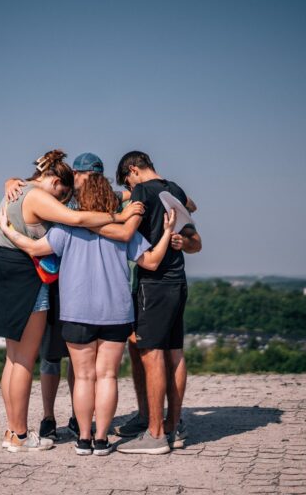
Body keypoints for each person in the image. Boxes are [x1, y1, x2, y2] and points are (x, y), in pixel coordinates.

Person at [0, 170, 176, 456]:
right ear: (109, 198)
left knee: (83, 377)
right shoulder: (124, 232)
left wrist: (8, 231)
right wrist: (167, 232)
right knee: (107, 377)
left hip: (77, 312)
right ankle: (102, 439)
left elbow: (33, 248)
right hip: (116, 314)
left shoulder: (66, 229)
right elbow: (152, 262)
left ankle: (83, 439)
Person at [109, 151, 202, 455]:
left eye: (127, 180)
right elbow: (195, 241)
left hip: (154, 283)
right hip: (178, 280)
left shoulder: (141, 191)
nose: (129, 188)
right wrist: (180, 242)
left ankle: (155, 433)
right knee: (174, 352)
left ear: (133, 170)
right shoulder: (174, 190)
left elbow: (127, 228)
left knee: (151, 354)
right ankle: (173, 427)